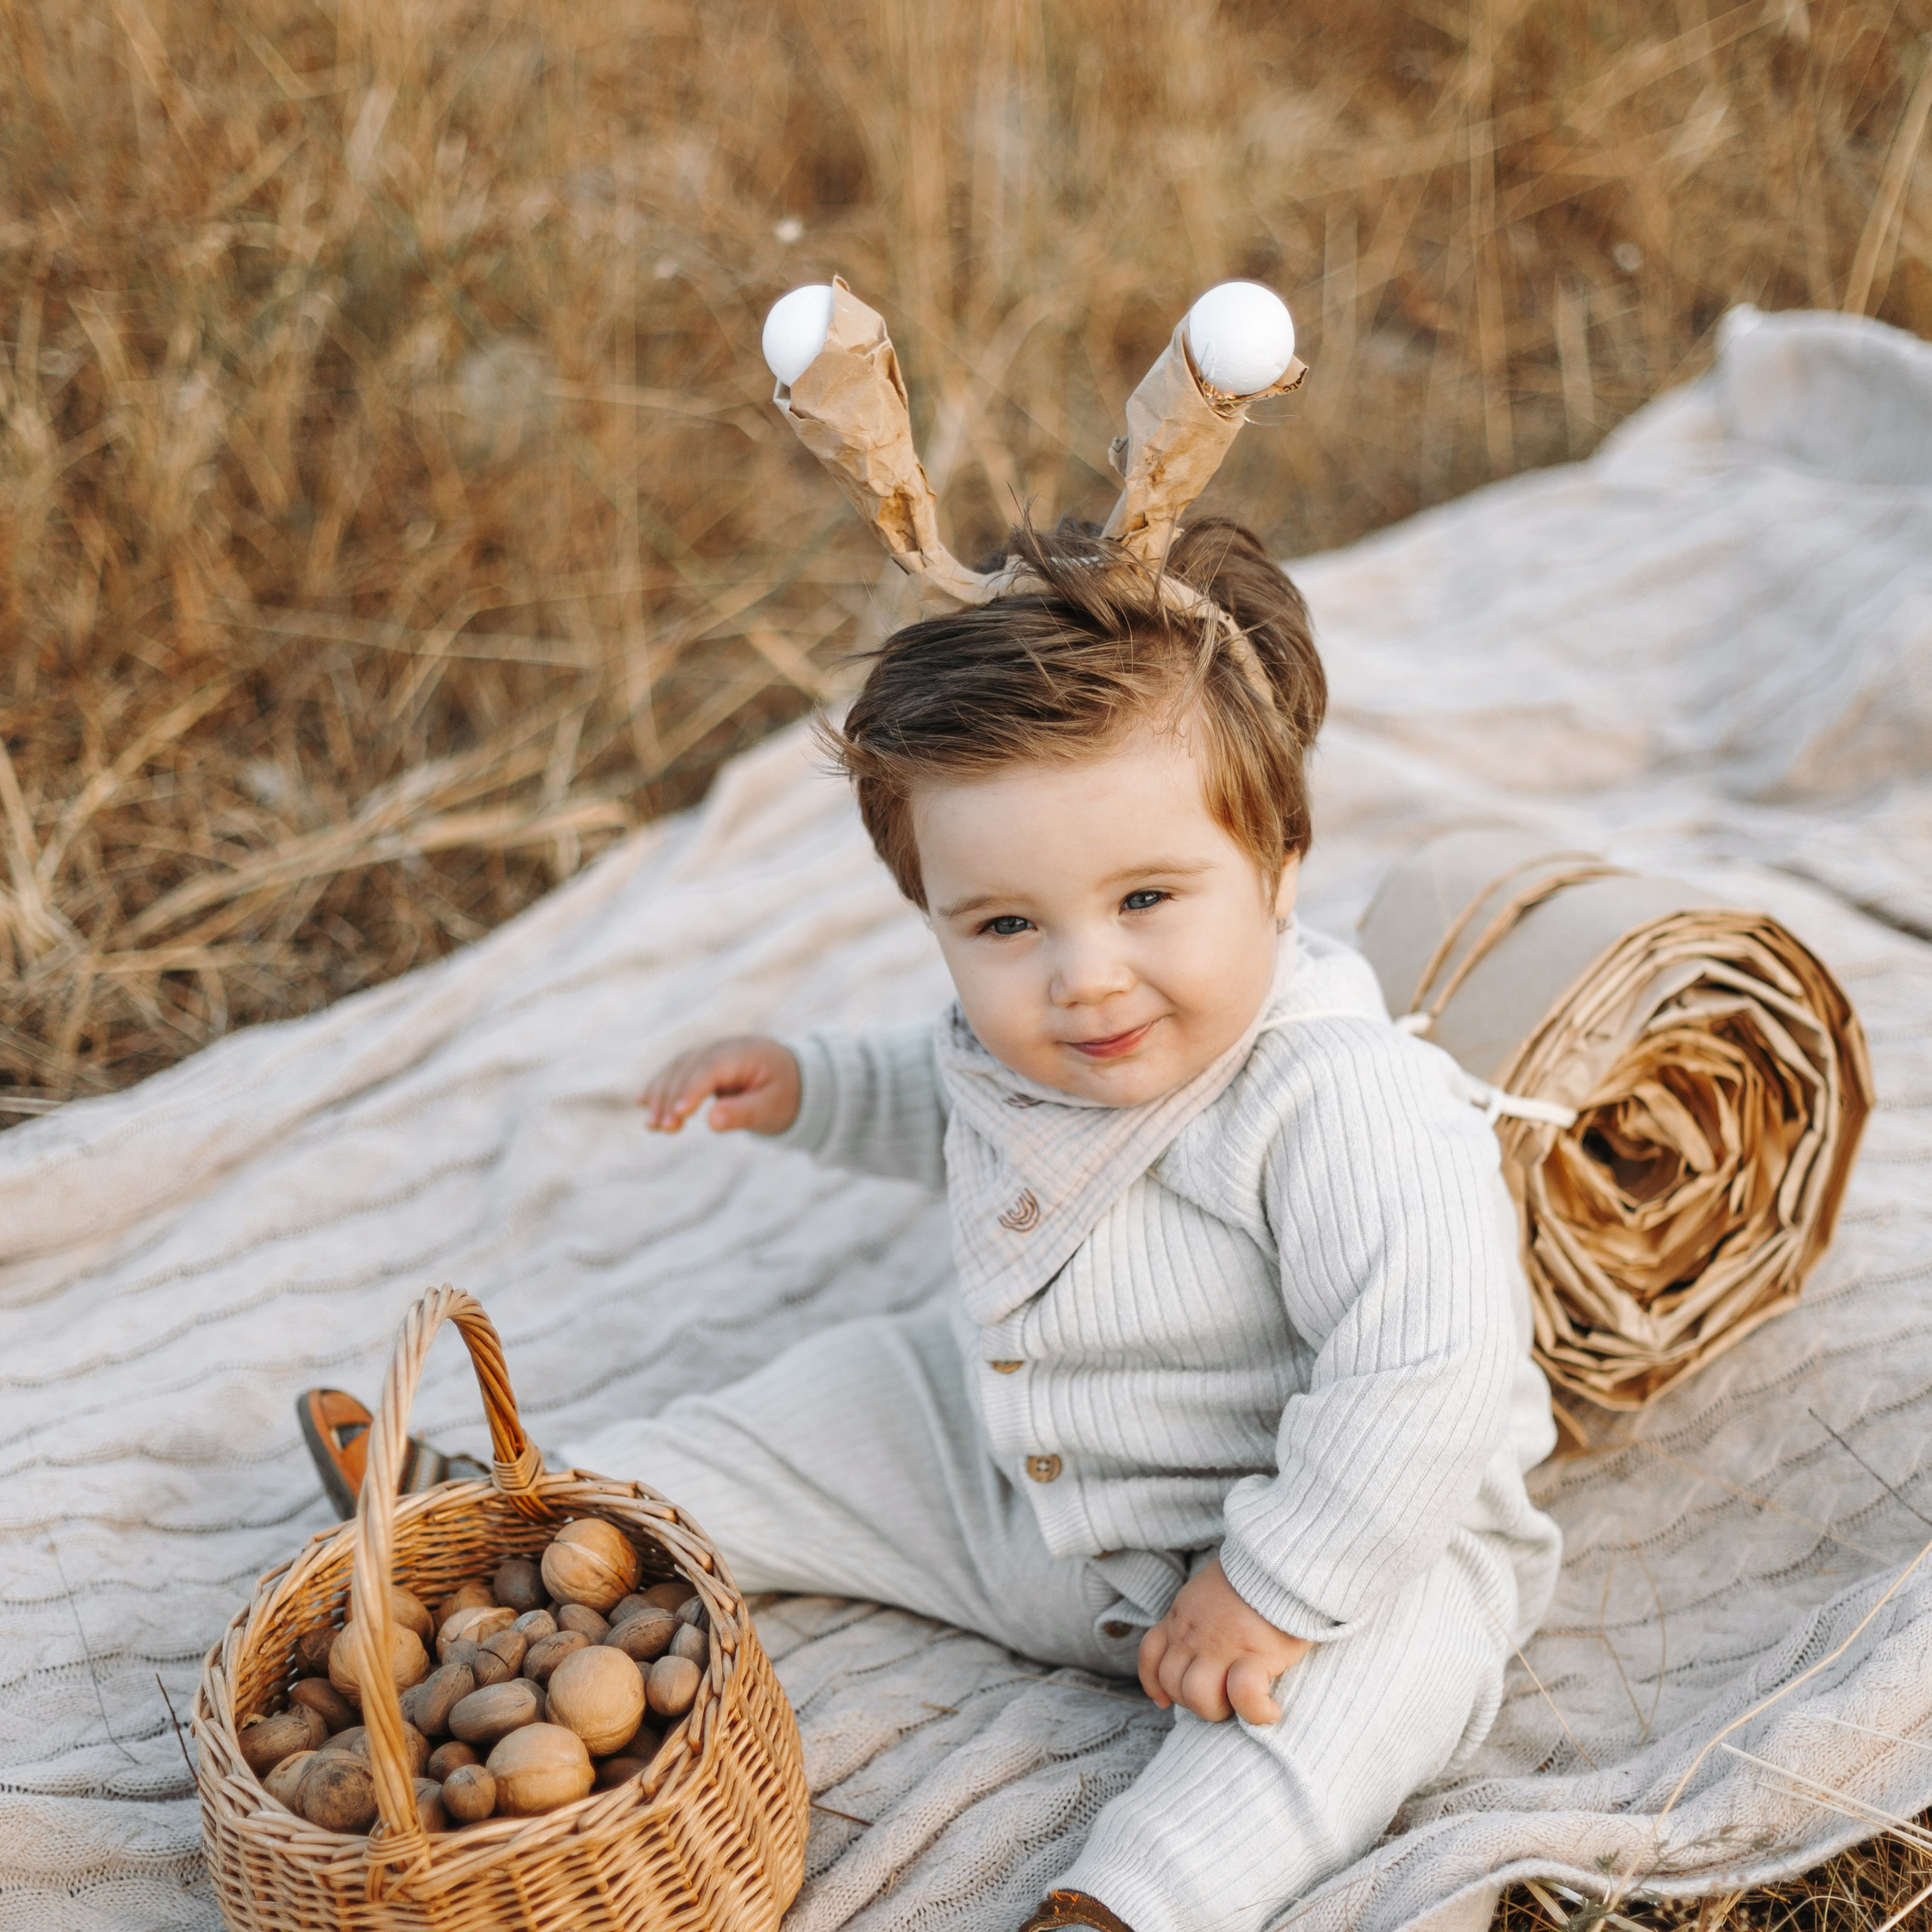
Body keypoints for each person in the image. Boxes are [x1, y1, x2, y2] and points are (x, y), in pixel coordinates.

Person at [303, 516, 1558, 1931]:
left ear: (1277, 862)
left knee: (1353, 1703)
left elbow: (1425, 1376)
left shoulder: (1342, 1101)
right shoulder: (1031, 1040)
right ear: (938, 914)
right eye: (1006, 927)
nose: (1086, 980)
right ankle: (516, 1513)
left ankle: (1125, 1901)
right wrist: (807, 1088)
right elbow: (953, 1095)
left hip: (1326, 1526)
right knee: (826, 1409)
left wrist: (1272, 1586)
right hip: (1024, 1491)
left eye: (1147, 898)